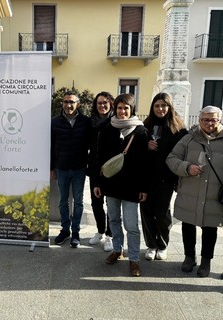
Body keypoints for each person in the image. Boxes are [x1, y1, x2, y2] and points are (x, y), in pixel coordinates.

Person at [93, 93, 148, 276]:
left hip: (132, 187)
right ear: (114, 109)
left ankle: (134, 259)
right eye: (119, 108)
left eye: (126, 108)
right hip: (111, 185)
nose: (122, 111)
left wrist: (143, 188)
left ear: (132, 110)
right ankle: (118, 250)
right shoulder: (108, 129)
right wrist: (98, 184)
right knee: (114, 220)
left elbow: (143, 163)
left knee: (131, 225)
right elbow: (100, 159)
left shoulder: (140, 131)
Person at [166, 106, 223, 277]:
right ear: (199, 121)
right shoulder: (189, 139)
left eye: (213, 119)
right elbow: (172, 158)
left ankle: (206, 261)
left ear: (219, 120)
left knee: (210, 228)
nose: (209, 123)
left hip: (214, 195)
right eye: (205, 119)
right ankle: (189, 257)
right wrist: (186, 167)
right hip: (191, 192)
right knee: (188, 225)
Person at [140, 92, 187, 261]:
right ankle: (151, 244)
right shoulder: (146, 127)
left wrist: (177, 179)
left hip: (166, 179)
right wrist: (145, 145)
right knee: (145, 211)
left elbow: (183, 155)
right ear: (153, 108)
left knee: (162, 213)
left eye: (164, 105)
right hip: (146, 178)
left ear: (169, 107)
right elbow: (136, 152)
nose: (161, 109)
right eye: (157, 106)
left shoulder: (179, 130)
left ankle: (163, 244)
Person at [51, 90, 91, 248]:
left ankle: (75, 232)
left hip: (79, 168)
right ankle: (65, 229)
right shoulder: (54, 122)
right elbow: (51, 146)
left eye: (72, 102)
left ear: (78, 104)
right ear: (62, 104)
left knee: (79, 202)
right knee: (62, 202)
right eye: (66, 102)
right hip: (61, 168)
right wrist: (51, 167)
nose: (68, 105)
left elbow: (91, 144)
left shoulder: (86, 122)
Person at [87, 91, 114, 251]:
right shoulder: (91, 123)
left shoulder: (116, 122)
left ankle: (110, 235)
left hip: (111, 170)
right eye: (99, 103)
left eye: (105, 102)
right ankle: (100, 231)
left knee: (111, 204)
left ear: (110, 104)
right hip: (95, 168)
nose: (102, 105)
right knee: (96, 202)